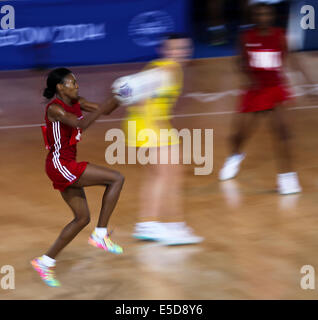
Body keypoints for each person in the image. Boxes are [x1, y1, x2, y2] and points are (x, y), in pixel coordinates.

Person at [31, 68, 124, 287]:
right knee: (116, 178)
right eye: (72, 83)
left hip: (65, 164)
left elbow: (105, 110)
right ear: (60, 87)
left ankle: (45, 261)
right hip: (60, 164)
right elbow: (81, 124)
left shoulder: (78, 101)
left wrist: (119, 96)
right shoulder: (55, 109)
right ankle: (100, 235)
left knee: (82, 218)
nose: (77, 86)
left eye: (76, 82)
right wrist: (102, 108)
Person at [218, 3, 314, 194]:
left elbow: (293, 60)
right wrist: (248, 78)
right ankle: (235, 157)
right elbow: (240, 62)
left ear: (271, 16)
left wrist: (309, 84)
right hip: (255, 91)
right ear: (253, 18)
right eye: (259, 14)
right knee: (240, 133)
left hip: (275, 89)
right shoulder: (246, 38)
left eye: (266, 14)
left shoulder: (280, 35)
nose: (263, 17)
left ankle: (288, 179)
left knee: (283, 133)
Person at [122, 33, 203, 245]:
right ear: (165, 51)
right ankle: (172, 225)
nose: (180, 53)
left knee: (161, 175)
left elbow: (133, 95)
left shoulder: (166, 68)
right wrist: (156, 126)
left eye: (184, 48)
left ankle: (149, 224)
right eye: (175, 49)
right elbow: (130, 92)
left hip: (145, 126)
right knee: (169, 176)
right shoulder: (167, 69)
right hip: (151, 127)